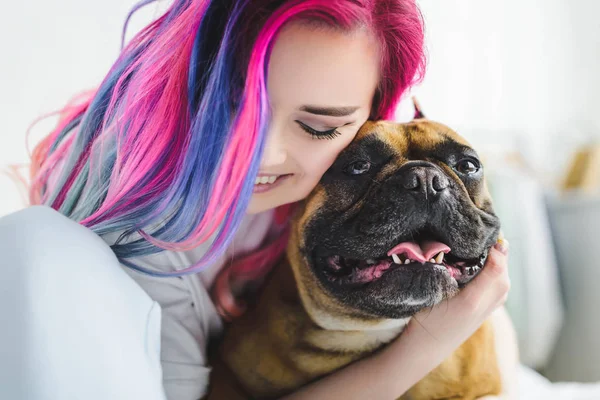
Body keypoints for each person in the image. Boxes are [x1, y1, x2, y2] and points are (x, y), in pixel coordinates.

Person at [13, 0, 514, 399]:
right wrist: (431, 342)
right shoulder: (139, 232)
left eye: (320, 127)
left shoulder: (373, 166)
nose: (262, 153)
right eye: (236, 108)